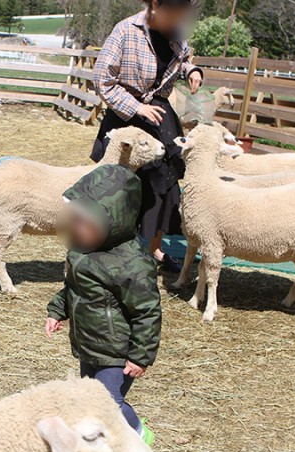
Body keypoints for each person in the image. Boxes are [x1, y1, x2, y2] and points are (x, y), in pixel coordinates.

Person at [45, 165, 161, 446]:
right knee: (89, 396)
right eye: (76, 220)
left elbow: (147, 312)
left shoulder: (131, 264)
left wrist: (140, 355)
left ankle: (136, 434)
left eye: (87, 224)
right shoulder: (81, 251)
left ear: (115, 221)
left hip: (117, 351)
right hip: (89, 344)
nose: (77, 228)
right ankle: (99, 438)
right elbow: (74, 288)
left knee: (108, 402)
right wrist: (57, 310)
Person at [91, 0, 203, 272]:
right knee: (118, 187)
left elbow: (183, 59)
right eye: (173, 13)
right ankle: (107, 249)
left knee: (163, 185)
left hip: (160, 119)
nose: (178, 20)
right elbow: (102, 80)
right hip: (127, 117)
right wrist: (137, 107)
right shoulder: (125, 30)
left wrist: (191, 71)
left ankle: (154, 250)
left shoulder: (175, 33)